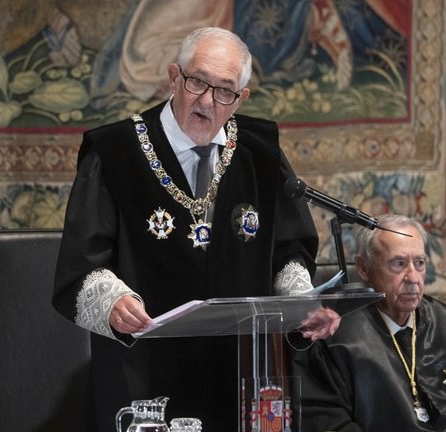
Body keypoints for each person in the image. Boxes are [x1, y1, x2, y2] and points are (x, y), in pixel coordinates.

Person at [52, 26, 338, 432]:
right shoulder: (114, 153)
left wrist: (299, 306)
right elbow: (82, 266)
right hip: (145, 373)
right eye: (197, 82)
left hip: (244, 371)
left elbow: (288, 253)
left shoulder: (261, 153)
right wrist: (113, 303)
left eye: (224, 91)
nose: (207, 101)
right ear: (174, 77)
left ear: (241, 98)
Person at [292, 214, 446, 431]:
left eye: (419, 263)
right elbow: (326, 421)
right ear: (363, 268)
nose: (413, 277)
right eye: (399, 264)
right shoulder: (334, 341)